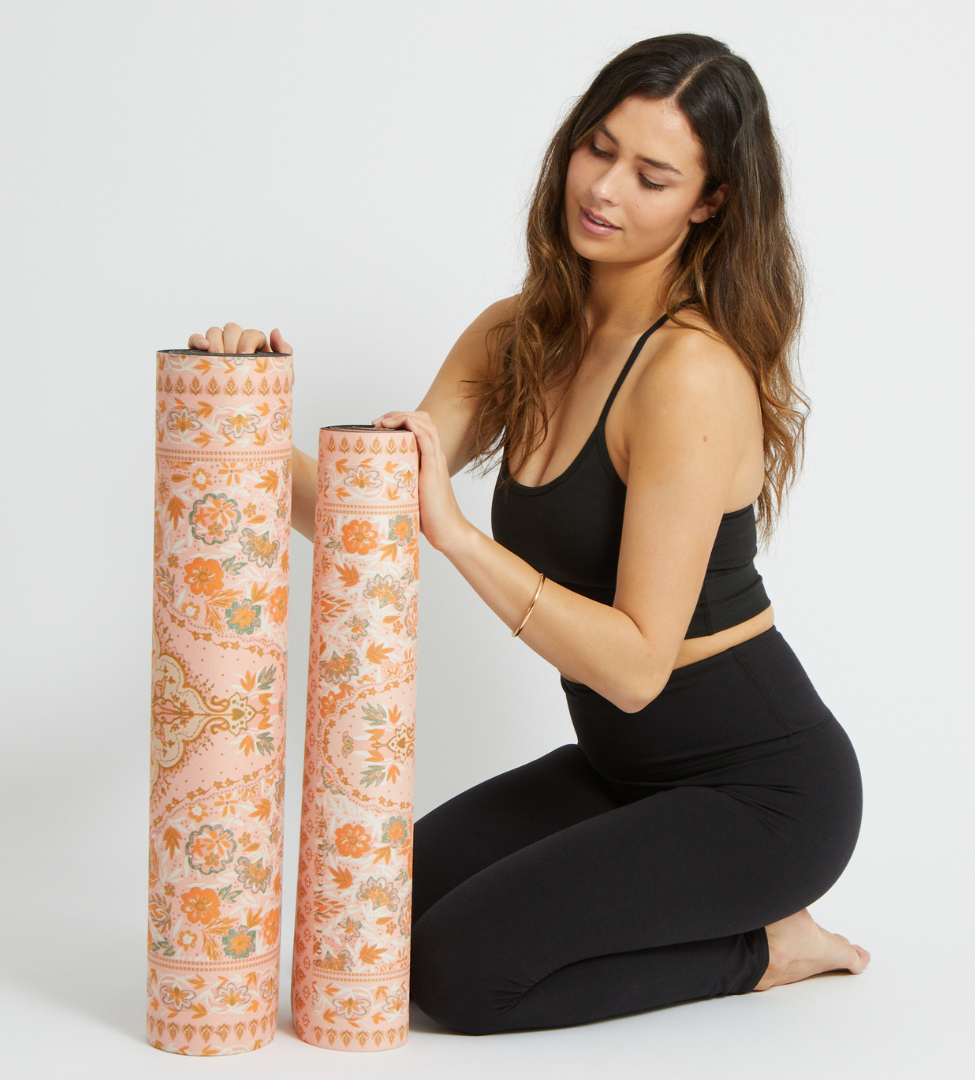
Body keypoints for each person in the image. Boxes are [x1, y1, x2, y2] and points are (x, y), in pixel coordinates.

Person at [188, 32, 869, 1036]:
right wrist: (243, 405)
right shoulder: (519, 332)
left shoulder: (689, 373)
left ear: (710, 201)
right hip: (619, 773)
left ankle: (767, 947)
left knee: (464, 975)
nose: (604, 189)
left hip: (762, 793)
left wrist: (461, 539)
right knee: (371, 910)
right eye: (598, 148)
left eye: (652, 177)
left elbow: (635, 670)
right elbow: (358, 512)